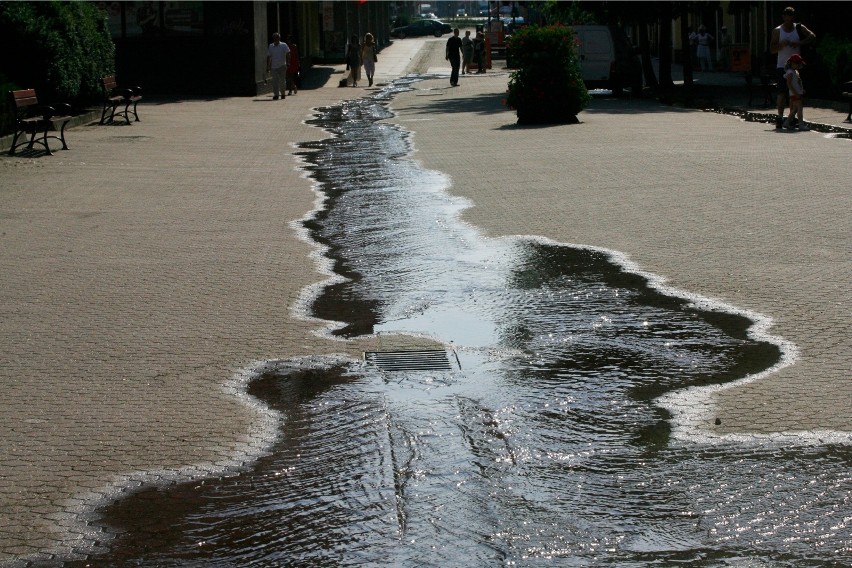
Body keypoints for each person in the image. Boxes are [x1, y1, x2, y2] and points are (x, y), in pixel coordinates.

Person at [770, 6, 815, 129]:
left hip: (795, 67)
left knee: (793, 94)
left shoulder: (799, 28)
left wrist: (799, 43)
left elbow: (812, 36)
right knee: (781, 92)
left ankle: (791, 118)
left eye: (791, 19)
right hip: (782, 66)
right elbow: (772, 49)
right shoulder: (778, 31)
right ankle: (780, 117)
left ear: (793, 18)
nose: (789, 22)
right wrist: (781, 45)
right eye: (786, 19)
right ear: (783, 17)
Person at [783, 54, 808, 130]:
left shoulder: (795, 72)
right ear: (792, 64)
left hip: (796, 93)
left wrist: (801, 89)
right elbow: (789, 84)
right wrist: (796, 93)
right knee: (800, 108)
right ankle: (801, 124)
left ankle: (787, 122)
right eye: (797, 64)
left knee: (795, 109)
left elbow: (797, 82)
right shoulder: (790, 72)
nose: (798, 66)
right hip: (795, 93)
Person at [266, 32, 290, 100]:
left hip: (282, 65)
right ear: (273, 38)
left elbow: (288, 53)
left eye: (277, 37)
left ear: (279, 38)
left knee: (282, 81)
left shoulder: (284, 45)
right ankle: (276, 95)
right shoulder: (271, 46)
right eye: (275, 37)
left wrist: (288, 62)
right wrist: (268, 66)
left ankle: (282, 93)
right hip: (274, 67)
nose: (276, 39)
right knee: (275, 82)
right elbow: (269, 56)